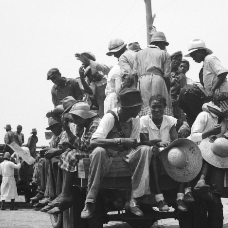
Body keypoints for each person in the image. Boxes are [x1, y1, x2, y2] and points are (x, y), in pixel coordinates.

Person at [83, 87, 152, 218]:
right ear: (131, 108)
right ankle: (90, 201)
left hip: (125, 157)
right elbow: (94, 142)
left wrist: (147, 143)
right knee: (98, 152)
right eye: (138, 107)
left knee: (146, 150)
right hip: (108, 158)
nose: (140, 109)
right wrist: (120, 140)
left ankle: (134, 199)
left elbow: (132, 144)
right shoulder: (110, 117)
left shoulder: (135, 120)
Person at [44, 102, 99, 215]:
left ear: (83, 116)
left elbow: (85, 146)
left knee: (71, 155)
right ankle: (64, 194)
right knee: (66, 154)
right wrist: (70, 144)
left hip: (97, 154)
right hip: (91, 151)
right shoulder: (87, 124)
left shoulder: (95, 124)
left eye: (76, 118)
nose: (74, 121)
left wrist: (69, 132)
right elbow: (83, 143)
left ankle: (65, 194)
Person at [189, 94, 228, 199]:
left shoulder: (225, 121)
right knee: (210, 149)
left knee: (221, 148)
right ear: (219, 104)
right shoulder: (204, 115)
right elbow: (193, 137)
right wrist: (209, 133)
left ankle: (216, 188)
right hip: (195, 148)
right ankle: (202, 180)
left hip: (213, 151)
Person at [138, 94, 178, 211]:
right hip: (152, 154)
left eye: (160, 107)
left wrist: (168, 147)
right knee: (153, 152)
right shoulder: (144, 120)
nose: (156, 110)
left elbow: (175, 140)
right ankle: (159, 196)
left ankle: (183, 193)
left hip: (168, 154)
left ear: (164, 107)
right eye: (153, 107)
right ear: (149, 107)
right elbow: (144, 141)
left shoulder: (170, 121)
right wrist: (157, 144)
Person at [133, 31, 173, 117]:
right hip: (158, 80)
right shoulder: (165, 54)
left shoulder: (138, 54)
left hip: (142, 81)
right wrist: (167, 92)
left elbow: (134, 75)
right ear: (161, 44)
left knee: (145, 106)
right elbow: (166, 76)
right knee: (160, 105)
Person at [30, 116, 67, 208]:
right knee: (41, 161)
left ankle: (52, 194)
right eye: (51, 128)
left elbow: (62, 148)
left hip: (62, 156)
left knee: (50, 161)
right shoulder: (54, 137)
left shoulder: (63, 134)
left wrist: (51, 150)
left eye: (54, 127)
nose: (53, 129)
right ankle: (42, 190)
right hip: (57, 156)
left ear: (59, 125)